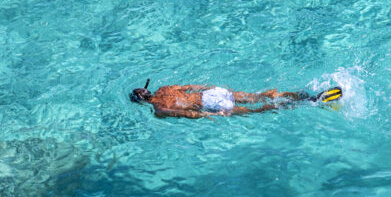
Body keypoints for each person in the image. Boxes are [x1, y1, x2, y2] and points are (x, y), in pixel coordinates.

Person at [129, 79, 341, 119]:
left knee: (259, 110)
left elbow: (185, 113)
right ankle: (301, 95)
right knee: (259, 96)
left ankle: (307, 103)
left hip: (209, 104)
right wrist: (212, 89)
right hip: (213, 93)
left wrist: (206, 115)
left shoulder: (158, 109)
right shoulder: (167, 88)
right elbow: (192, 86)